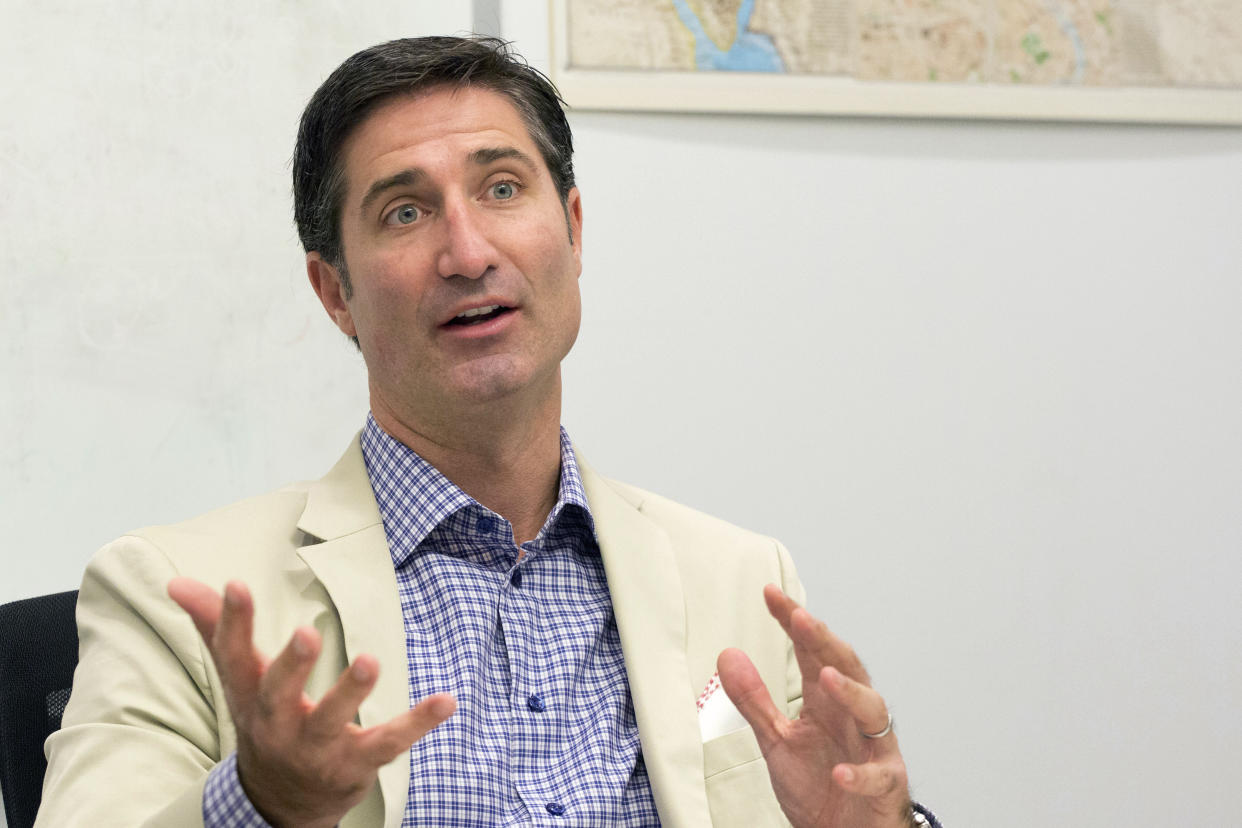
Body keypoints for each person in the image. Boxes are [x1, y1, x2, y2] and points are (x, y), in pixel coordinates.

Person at [37, 36, 940, 828]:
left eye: (502, 188)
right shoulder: (176, 595)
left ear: (574, 231)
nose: (468, 253)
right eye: (405, 211)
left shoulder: (744, 582)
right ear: (335, 293)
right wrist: (265, 806)